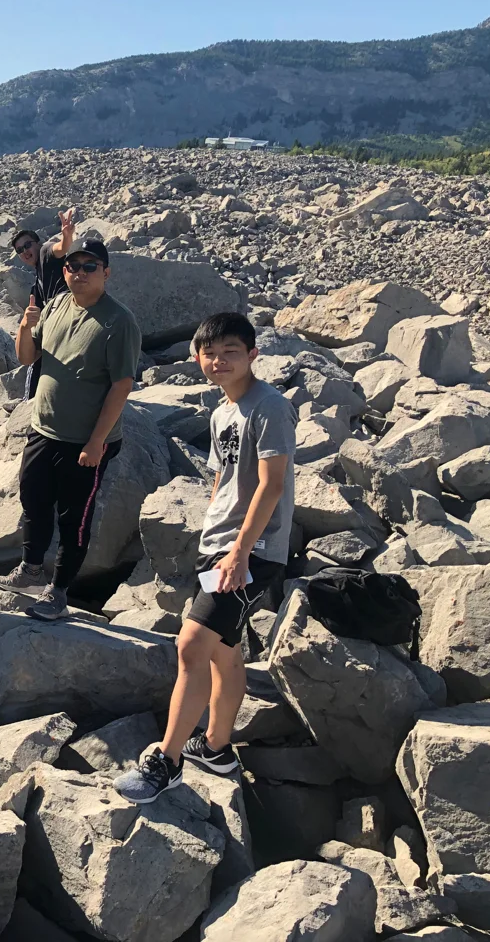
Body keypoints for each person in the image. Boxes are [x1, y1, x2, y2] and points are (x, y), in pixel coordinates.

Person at [114, 313, 295, 804]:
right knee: (223, 650)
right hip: (220, 548)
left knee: (192, 645)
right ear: (196, 358)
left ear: (253, 354)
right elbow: (222, 479)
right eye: (209, 354)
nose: (219, 361)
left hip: (253, 553)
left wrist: (240, 551)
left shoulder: (269, 407)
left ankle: (167, 762)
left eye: (230, 352)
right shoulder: (222, 412)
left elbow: (272, 485)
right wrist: (214, 539)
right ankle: (215, 747)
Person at [0, 238, 142, 620]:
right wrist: (25, 327)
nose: (79, 272)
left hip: (84, 441)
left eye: (89, 266)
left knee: (74, 519)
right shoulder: (57, 304)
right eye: (73, 266)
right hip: (43, 428)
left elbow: (121, 385)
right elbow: (28, 357)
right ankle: (30, 570)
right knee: (33, 499)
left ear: (106, 272)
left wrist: (96, 442)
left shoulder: (119, 321)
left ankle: (58, 591)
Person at [12, 207, 75, 399]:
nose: (25, 251)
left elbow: (59, 249)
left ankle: (28, 403)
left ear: (37, 243)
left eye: (27, 245)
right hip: (60, 325)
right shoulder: (36, 284)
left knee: (39, 358)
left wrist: (66, 237)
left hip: (68, 317)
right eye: (19, 250)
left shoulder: (45, 253)